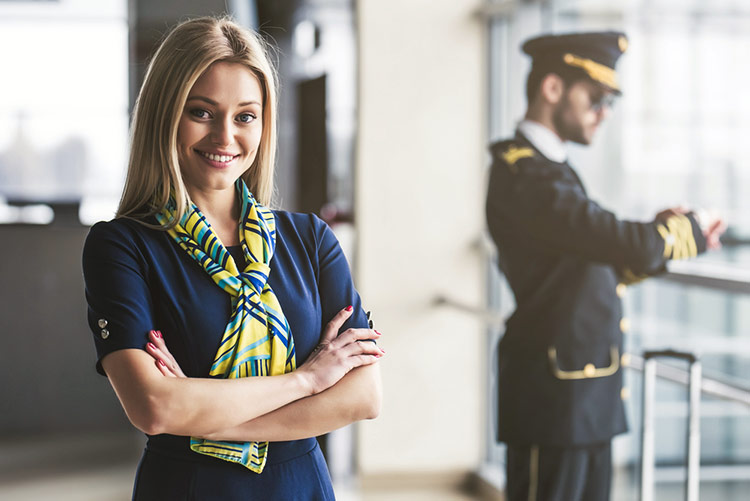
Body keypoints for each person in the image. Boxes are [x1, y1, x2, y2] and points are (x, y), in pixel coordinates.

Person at [82, 16, 384, 500]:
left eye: (245, 116)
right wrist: (309, 378)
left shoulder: (310, 240)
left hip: (299, 487)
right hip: (188, 488)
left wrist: (206, 418)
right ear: (166, 113)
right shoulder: (122, 246)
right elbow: (156, 409)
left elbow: (363, 396)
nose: (226, 137)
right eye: (202, 112)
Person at [485, 31, 725, 501]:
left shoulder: (551, 171)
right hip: (552, 396)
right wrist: (688, 231)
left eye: (610, 101)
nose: (605, 112)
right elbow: (615, 239)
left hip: (583, 392)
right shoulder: (524, 172)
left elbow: (585, 259)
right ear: (552, 89)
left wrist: (651, 243)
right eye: (595, 97)